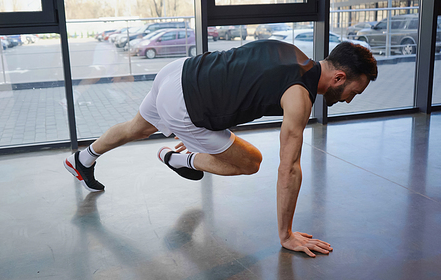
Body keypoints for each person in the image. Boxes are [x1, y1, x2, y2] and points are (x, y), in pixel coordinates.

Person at [64, 39, 378, 258]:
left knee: (137, 127)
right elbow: (289, 167)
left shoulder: (290, 52)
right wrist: (286, 235)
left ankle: (83, 158)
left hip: (178, 72)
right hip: (186, 106)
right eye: (354, 90)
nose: (351, 98)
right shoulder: (300, 96)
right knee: (251, 161)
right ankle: (181, 159)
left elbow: (240, 81)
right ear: (339, 76)